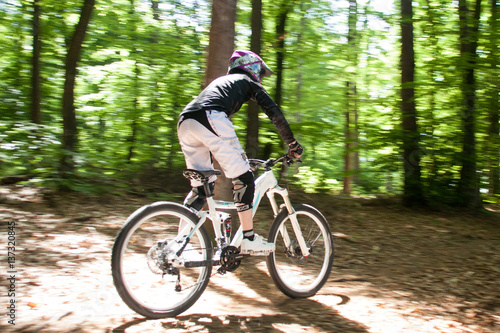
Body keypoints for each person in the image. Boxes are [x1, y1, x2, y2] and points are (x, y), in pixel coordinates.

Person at [177, 50, 303, 255]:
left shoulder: (224, 82)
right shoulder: (246, 80)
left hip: (186, 121)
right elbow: (273, 112)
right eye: (260, 72)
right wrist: (292, 143)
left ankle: (178, 245)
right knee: (244, 177)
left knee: (201, 189)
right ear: (251, 67)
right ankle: (248, 238)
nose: (261, 77)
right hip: (210, 117)